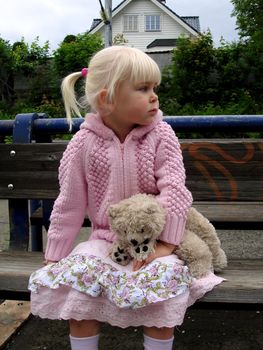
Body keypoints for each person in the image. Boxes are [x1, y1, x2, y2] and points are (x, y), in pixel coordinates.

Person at [28, 46, 223, 350]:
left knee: (162, 293)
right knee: (79, 284)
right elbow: (70, 202)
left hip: (155, 241)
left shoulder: (161, 135)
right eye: (143, 89)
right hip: (105, 241)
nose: (154, 96)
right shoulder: (82, 144)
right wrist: (55, 253)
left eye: (154, 88)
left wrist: (166, 245)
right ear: (108, 99)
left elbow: (174, 191)